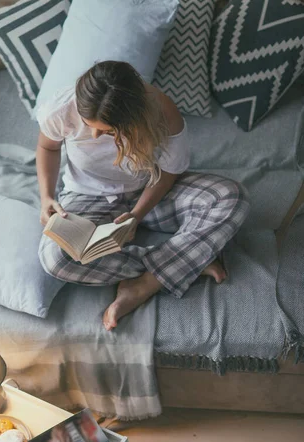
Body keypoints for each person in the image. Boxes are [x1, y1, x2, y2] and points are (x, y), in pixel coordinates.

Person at [37, 61, 249, 330]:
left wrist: (137, 215)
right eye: (89, 126)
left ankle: (146, 284)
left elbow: (168, 171)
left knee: (231, 197)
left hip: (151, 190)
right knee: (56, 259)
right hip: (87, 195)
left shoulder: (163, 112)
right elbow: (48, 147)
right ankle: (188, 261)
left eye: (107, 131)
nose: (94, 135)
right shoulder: (63, 108)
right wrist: (46, 197)